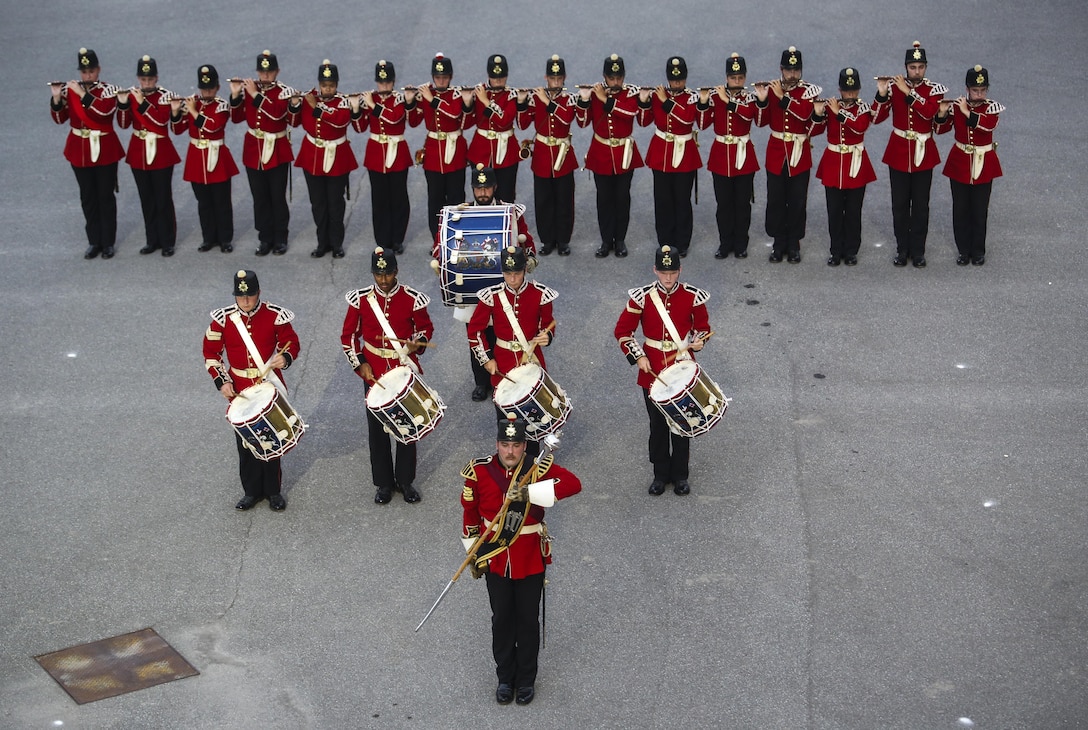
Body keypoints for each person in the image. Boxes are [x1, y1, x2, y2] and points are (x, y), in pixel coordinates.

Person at [461, 415, 581, 705]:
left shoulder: (536, 469)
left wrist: (529, 491)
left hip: (529, 556)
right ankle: (505, 677)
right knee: (502, 620)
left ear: (525, 445)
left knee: (527, 621)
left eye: (516, 445)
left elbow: (574, 485)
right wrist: (473, 552)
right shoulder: (479, 471)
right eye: (505, 444)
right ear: (497, 445)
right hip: (495, 556)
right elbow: (470, 514)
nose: (510, 451)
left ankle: (526, 679)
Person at [433, 164, 537, 402]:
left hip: (505, 287)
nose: (482, 193)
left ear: (494, 187)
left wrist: (528, 261)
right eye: (478, 188)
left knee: (504, 333)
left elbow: (528, 244)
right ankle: (481, 382)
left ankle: (506, 377)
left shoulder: (510, 213)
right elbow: (441, 245)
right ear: (472, 189)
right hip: (473, 288)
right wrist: (441, 260)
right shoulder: (460, 213)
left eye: (486, 188)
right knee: (476, 334)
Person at [614, 245, 710, 495]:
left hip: (682, 367)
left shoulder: (692, 296)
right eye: (664, 273)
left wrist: (699, 340)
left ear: (680, 270)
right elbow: (623, 331)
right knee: (657, 425)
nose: (668, 278)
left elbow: (703, 327)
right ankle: (660, 474)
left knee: (682, 422)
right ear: (655, 270)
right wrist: (638, 357)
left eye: (673, 273)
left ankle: (680, 475)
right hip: (652, 367)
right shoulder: (641, 297)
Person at [341, 247, 434, 504]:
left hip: (402, 368)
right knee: (377, 430)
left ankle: (405, 480)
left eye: (388, 274)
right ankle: (383, 483)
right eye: (379, 275)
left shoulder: (412, 298)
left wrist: (418, 342)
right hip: (374, 371)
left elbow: (425, 328)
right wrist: (360, 364)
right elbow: (348, 336)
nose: (383, 280)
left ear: (396, 272)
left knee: (409, 424)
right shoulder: (361, 300)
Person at [203, 269, 301, 511]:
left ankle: (273, 491)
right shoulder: (222, 319)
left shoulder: (275, 316)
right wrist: (222, 381)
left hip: (267, 383)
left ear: (259, 293)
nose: (245, 301)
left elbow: (292, 342)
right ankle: (251, 491)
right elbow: (211, 353)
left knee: (272, 437)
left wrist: (285, 357)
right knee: (245, 442)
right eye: (240, 297)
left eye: (250, 296)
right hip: (240, 387)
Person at [467, 245, 557, 458]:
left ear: (525, 270)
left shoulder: (540, 294)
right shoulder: (492, 296)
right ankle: (507, 464)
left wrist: (548, 336)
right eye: (508, 274)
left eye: (516, 273)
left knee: (533, 418)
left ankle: (532, 463)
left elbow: (548, 324)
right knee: (505, 421)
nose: (513, 279)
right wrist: (486, 359)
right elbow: (475, 331)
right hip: (503, 362)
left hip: (531, 361)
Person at [872, 41, 947, 268]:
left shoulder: (935, 90)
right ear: (906, 67)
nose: (916, 71)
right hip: (899, 151)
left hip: (924, 152)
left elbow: (929, 113)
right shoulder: (895, 88)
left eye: (921, 67)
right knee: (900, 204)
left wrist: (908, 93)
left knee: (921, 205)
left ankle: (918, 251)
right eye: (913, 67)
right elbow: (876, 118)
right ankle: (902, 249)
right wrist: (883, 94)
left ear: (925, 68)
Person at [50, 47, 125, 260]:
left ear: (98, 70)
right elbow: (59, 119)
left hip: (104, 148)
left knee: (105, 195)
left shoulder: (109, 90)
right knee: (88, 196)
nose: (88, 75)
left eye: (91, 71)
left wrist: (82, 93)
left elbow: (103, 113)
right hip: (79, 148)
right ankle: (94, 241)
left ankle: (108, 242)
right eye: (84, 72)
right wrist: (57, 98)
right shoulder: (69, 91)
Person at [577, 53, 652, 258]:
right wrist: (584, 100)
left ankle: (620, 240)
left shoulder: (630, 93)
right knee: (604, 199)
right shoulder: (594, 93)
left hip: (624, 154)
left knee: (622, 197)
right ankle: (605, 240)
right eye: (612, 78)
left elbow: (630, 115)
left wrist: (605, 99)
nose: (616, 82)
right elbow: (582, 123)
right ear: (605, 76)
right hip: (601, 153)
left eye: (619, 78)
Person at [754, 46, 824, 264]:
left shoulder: (810, 92)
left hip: (799, 152)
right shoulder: (772, 89)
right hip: (776, 153)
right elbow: (759, 121)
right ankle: (778, 242)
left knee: (797, 200)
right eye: (788, 70)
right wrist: (763, 100)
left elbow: (806, 116)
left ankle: (794, 243)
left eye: (796, 70)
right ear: (781, 69)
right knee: (776, 199)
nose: (792, 74)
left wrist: (781, 97)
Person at [936, 65, 1004, 266]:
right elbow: (940, 130)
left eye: (983, 90)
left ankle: (978, 250)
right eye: (975, 90)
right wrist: (941, 113)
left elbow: (987, 125)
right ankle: (963, 250)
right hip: (960, 162)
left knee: (979, 209)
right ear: (967, 89)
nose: (980, 94)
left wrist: (966, 111)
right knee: (961, 209)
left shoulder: (991, 107)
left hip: (984, 163)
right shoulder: (956, 106)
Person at [231, 50, 295, 256]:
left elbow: (277, 114)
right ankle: (264, 238)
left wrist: (255, 95)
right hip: (254, 149)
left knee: (277, 196)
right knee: (259, 197)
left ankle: (280, 238)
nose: (265, 76)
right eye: (262, 72)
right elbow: (237, 117)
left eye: (269, 72)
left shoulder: (283, 92)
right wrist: (234, 94)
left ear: (277, 72)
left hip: (276, 148)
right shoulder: (250, 90)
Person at [291, 60, 357, 259]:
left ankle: (337, 244)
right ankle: (322, 243)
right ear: (319, 84)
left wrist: (316, 107)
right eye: (324, 85)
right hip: (313, 156)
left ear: (336, 85)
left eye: (331, 85)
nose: (327, 89)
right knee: (318, 203)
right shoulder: (309, 98)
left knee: (335, 203)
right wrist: (295, 103)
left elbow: (341, 121)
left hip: (337, 156)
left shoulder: (343, 101)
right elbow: (294, 122)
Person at [116, 55, 180, 257]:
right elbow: (124, 123)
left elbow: (161, 121)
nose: (146, 83)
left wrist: (142, 102)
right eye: (143, 80)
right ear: (138, 79)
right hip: (139, 151)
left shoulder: (166, 96)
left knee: (162, 197)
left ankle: (167, 240)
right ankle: (152, 239)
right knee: (146, 198)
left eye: (150, 79)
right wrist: (124, 104)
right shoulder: (133, 95)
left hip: (160, 151)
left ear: (156, 78)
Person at [698, 52, 760, 260]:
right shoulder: (716, 96)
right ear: (727, 77)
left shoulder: (749, 97)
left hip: (743, 155)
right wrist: (705, 103)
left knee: (742, 204)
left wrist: (728, 101)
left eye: (740, 78)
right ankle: (725, 243)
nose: (737, 81)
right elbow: (703, 123)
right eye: (733, 78)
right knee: (723, 204)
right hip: (721, 156)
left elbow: (750, 115)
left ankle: (741, 244)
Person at [171, 64, 239, 253]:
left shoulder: (222, 106)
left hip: (217, 157)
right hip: (197, 158)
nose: (206, 93)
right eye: (204, 89)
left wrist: (193, 111)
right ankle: (208, 238)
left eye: (210, 89)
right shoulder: (193, 103)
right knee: (204, 202)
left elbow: (212, 127)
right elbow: (177, 130)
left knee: (222, 201)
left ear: (217, 88)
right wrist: (176, 111)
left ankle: (225, 239)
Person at [814, 68, 878, 266]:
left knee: (853, 211)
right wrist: (817, 114)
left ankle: (851, 250)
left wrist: (838, 112)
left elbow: (859, 126)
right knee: (834, 210)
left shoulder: (863, 108)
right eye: (847, 91)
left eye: (854, 91)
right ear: (840, 90)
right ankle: (835, 250)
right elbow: (813, 130)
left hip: (856, 162)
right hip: (833, 163)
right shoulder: (830, 107)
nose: (850, 94)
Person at [516, 55, 579, 256]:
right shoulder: (536, 98)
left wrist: (546, 101)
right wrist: (521, 102)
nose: (556, 82)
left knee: (564, 199)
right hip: (543, 155)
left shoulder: (569, 98)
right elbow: (523, 123)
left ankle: (563, 240)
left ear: (565, 78)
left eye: (559, 78)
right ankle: (547, 240)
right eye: (553, 78)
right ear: (546, 77)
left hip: (562, 154)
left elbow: (566, 119)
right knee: (543, 200)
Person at [407, 53, 474, 238]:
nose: (441, 81)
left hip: (455, 154)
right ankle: (438, 239)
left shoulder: (456, 94)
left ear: (450, 77)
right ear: (433, 77)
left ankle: (457, 236)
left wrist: (431, 98)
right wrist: (410, 101)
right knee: (435, 199)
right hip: (434, 154)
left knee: (456, 197)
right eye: (438, 77)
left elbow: (453, 113)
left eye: (445, 77)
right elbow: (413, 122)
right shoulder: (426, 94)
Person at [352, 60, 412, 255]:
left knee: (399, 198)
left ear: (393, 82)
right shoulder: (371, 99)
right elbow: (360, 128)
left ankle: (397, 239)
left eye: (387, 83)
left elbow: (394, 118)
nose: (384, 86)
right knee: (379, 200)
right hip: (376, 154)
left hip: (398, 154)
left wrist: (371, 105)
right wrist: (355, 108)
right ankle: (383, 240)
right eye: (381, 83)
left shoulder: (399, 99)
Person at [645, 56, 702, 257]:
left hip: (684, 153)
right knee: (662, 200)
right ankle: (665, 241)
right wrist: (644, 101)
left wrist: (665, 101)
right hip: (661, 152)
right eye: (673, 80)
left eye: (680, 80)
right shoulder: (657, 95)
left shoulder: (692, 97)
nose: (676, 84)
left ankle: (682, 242)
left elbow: (687, 119)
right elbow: (644, 121)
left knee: (681, 200)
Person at [468, 54, 521, 202]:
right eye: (495, 77)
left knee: (506, 195)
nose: (498, 80)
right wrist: (467, 103)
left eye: (502, 77)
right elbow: (466, 123)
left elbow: (504, 121)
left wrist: (486, 101)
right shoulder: (478, 91)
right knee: (482, 194)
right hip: (481, 150)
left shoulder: (511, 94)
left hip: (506, 152)